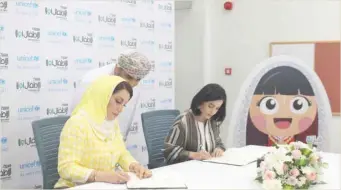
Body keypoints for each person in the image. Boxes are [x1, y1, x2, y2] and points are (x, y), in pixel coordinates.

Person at [55, 75, 152, 189]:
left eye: (124, 104)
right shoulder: (77, 123)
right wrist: (99, 176)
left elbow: (121, 153)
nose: (120, 109)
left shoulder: (111, 122)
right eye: (118, 101)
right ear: (102, 96)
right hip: (74, 186)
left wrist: (133, 166)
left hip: (103, 185)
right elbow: (66, 168)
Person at [70, 50, 151, 141]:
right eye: (129, 77)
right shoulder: (91, 81)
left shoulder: (133, 84)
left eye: (138, 79)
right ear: (117, 69)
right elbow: (77, 116)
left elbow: (124, 122)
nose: (132, 84)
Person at [164, 83, 227, 165]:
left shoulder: (213, 121)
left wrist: (219, 149)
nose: (213, 112)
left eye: (217, 108)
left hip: (207, 168)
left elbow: (218, 142)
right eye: (210, 106)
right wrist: (194, 155)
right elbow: (169, 151)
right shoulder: (183, 121)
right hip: (184, 171)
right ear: (200, 103)